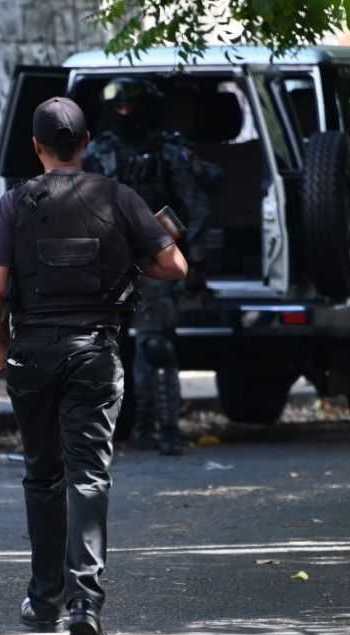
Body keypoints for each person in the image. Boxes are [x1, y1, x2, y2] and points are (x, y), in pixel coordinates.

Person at [0, 97, 187, 635]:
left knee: (43, 476)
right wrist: (129, 253)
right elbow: (173, 265)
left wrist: (0, 344)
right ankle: (85, 606)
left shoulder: (13, 203)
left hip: (31, 354)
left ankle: (44, 600)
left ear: (36, 146)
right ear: (88, 141)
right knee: (89, 476)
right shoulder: (118, 197)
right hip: (94, 352)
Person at [83, 76, 218, 456]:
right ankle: (125, 427)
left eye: (131, 106)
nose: (124, 113)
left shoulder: (167, 153)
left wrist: (196, 264)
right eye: (118, 107)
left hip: (155, 264)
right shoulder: (99, 154)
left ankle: (164, 428)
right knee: (105, 350)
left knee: (155, 345)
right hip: (110, 267)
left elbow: (195, 206)